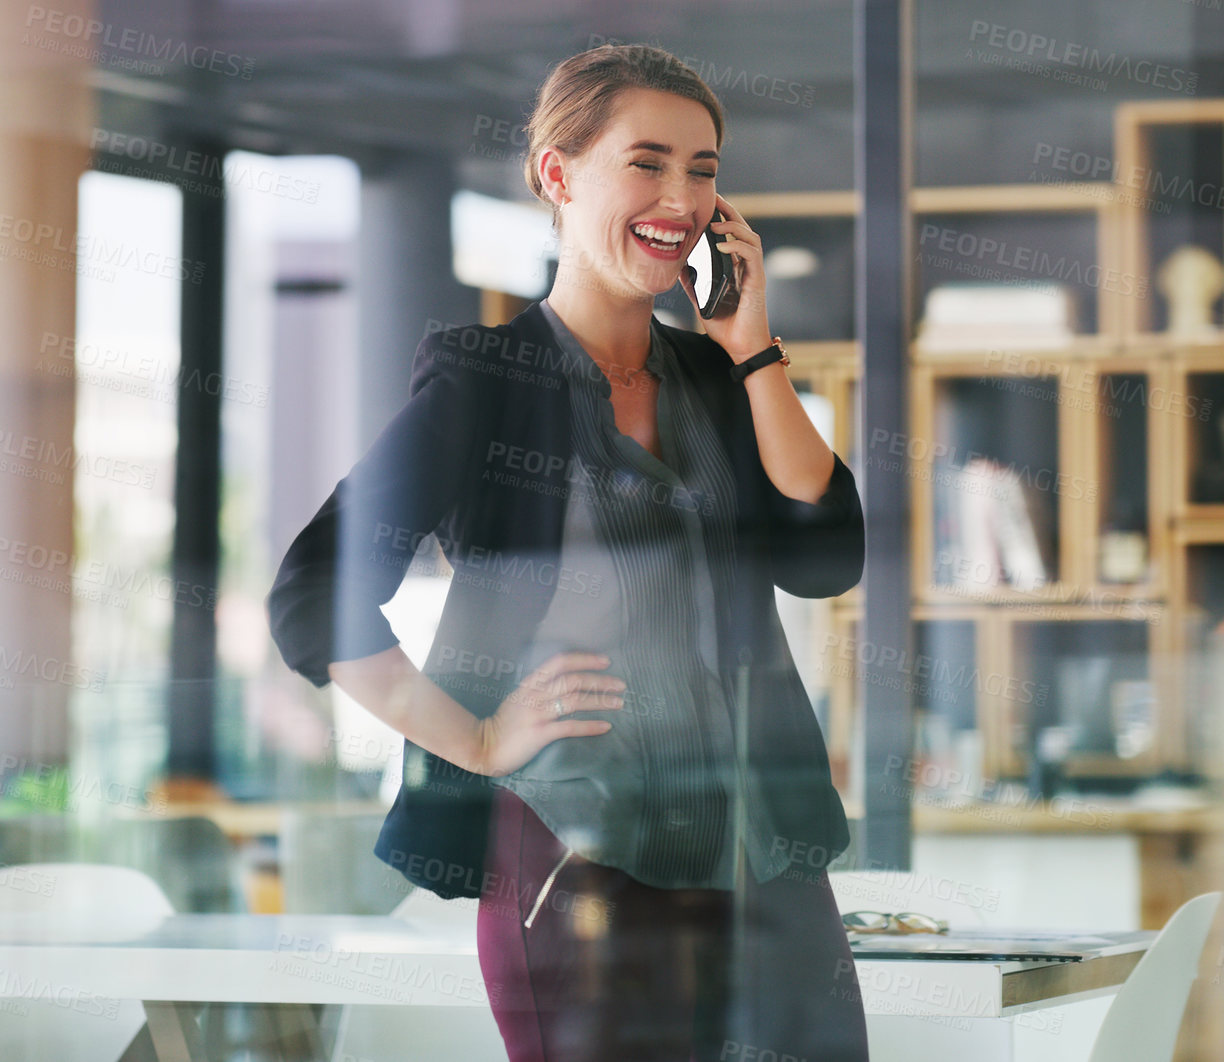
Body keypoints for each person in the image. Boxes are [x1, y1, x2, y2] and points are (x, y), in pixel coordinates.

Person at [267, 42, 869, 1062]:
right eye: (646, 162)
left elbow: (822, 555)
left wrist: (753, 347)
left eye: (703, 169)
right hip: (575, 861)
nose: (678, 196)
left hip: (764, 856)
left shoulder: (717, 383)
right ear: (557, 174)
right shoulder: (485, 383)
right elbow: (312, 590)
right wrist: (478, 740)